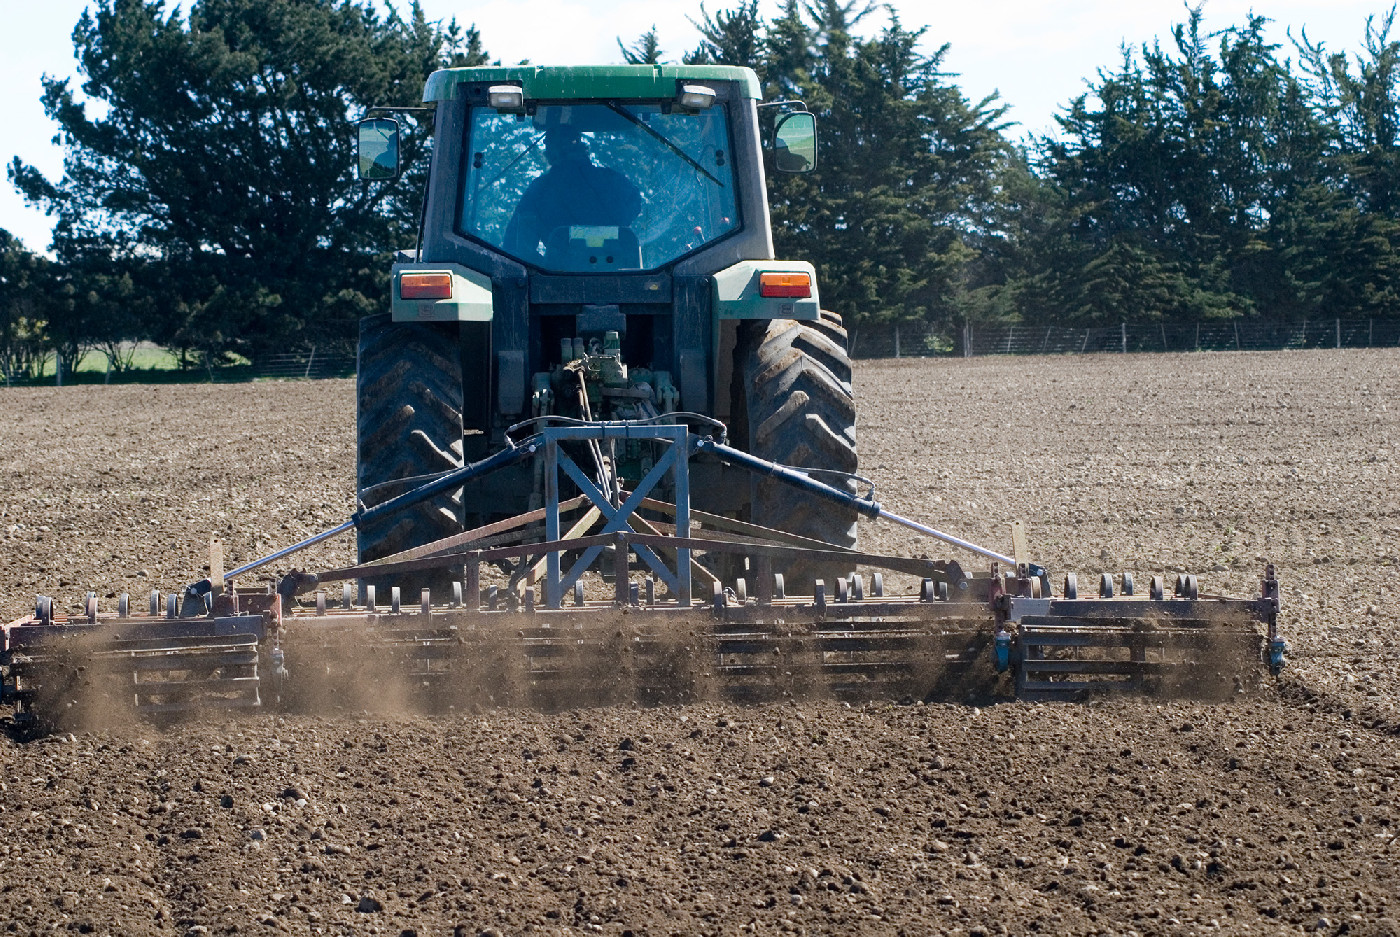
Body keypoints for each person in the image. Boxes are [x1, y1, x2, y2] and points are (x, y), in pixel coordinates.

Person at [504, 127, 642, 261]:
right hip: (617, 269)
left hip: (557, 276)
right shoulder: (612, 180)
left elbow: (517, 246)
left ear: (550, 153)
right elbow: (633, 208)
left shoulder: (540, 189)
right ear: (581, 147)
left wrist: (544, 266)